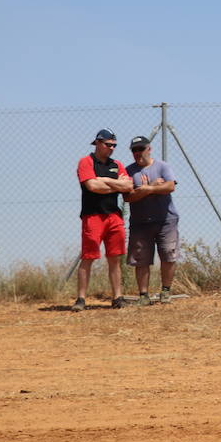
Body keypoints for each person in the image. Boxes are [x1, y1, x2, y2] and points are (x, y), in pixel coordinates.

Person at [74, 129, 134, 310]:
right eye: (108, 145)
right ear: (98, 143)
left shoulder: (117, 164)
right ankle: (81, 299)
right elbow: (92, 185)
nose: (112, 148)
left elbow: (128, 186)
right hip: (92, 216)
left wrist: (105, 181)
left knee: (115, 258)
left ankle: (118, 297)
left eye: (114, 145)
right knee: (88, 257)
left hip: (114, 216)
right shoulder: (86, 162)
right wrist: (115, 184)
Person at [124, 136, 179, 305]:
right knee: (141, 259)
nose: (138, 153)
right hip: (140, 222)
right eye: (134, 150)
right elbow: (128, 197)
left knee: (168, 255)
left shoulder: (163, 166)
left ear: (149, 149)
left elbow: (170, 187)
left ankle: (165, 292)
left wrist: (145, 188)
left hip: (166, 219)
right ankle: (143, 296)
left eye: (141, 148)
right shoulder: (128, 171)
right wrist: (153, 188)